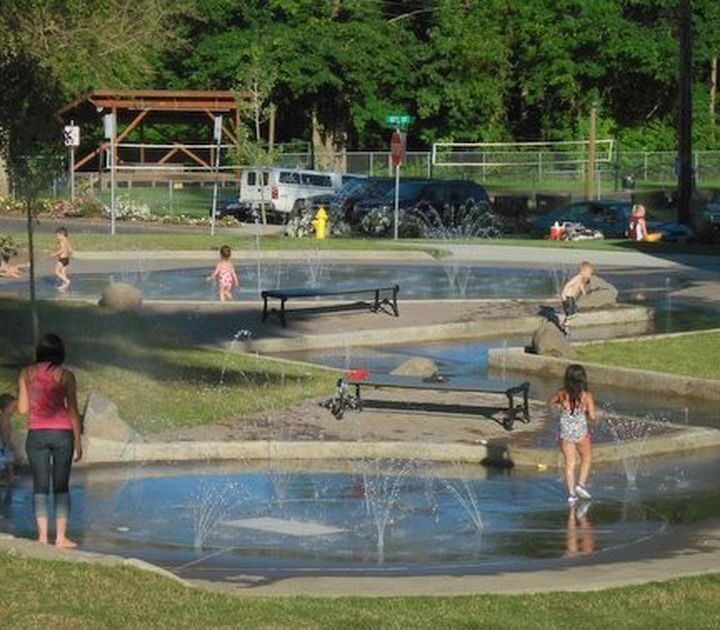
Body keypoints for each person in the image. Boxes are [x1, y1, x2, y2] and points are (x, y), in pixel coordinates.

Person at [17, 334, 82, 547]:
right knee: (61, 486)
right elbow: (72, 410)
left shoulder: (26, 373)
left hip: (36, 435)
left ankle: (43, 537)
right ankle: (61, 538)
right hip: (62, 434)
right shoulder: (66, 375)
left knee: (40, 487)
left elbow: (22, 409)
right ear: (60, 353)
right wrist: (78, 441)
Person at [548, 364, 596, 504]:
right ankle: (580, 485)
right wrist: (586, 412)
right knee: (586, 457)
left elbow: (549, 403)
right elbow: (593, 417)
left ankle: (571, 495)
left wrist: (560, 406)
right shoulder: (586, 396)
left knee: (570, 463)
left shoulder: (561, 394)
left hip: (566, 433)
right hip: (581, 433)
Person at [559, 261, 594, 335]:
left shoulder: (580, 278)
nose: (590, 276)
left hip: (571, 298)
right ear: (583, 271)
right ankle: (566, 326)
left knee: (572, 312)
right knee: (571, 313)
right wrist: (563, 294)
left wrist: (583, 290)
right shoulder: (577, 277)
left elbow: (580, 284)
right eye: (589, 273)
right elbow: (568, 284)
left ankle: (564, 324)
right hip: (568, 297)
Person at [0, 394, 17, 481]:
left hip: (3, 442)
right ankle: (11, 476)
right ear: (7, 407)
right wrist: (9, 444)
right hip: (3, 443)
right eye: (13, 407)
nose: (15, 409)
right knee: (9, 459)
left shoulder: (3, 417)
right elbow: (4, 433)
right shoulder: (5, 418)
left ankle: (9, 475)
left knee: (7, 460)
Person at [52, 227, 73, 291]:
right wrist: (69, 252)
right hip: (66, 259)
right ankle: (64, 285)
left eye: (58, 235)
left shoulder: (62, 241)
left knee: (56, 271)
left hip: (62, 259)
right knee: (63, 273)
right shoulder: (67, 240)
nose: (57, 237)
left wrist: (54, 254)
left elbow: (61, 250)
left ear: (62, 234)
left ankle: (67, 281)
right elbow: (70, 249)